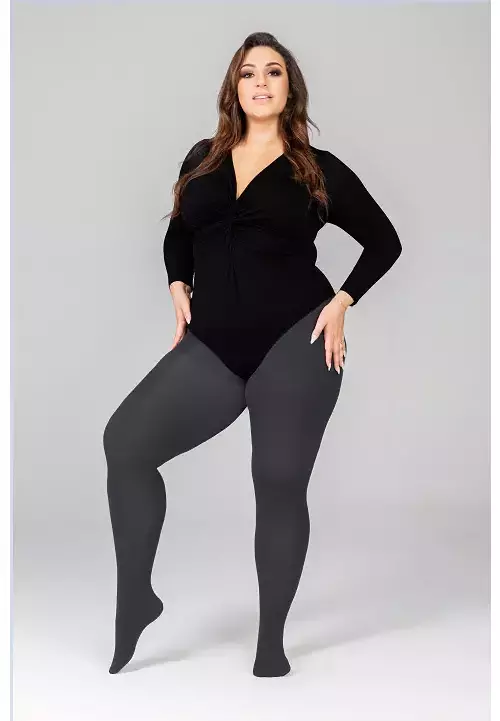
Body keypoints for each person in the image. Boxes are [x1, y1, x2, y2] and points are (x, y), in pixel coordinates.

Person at [103, 31, 402, 678]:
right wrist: (177, 283)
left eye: (273, 72)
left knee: (278, 482)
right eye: (248, 73)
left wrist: (343, 301)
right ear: (233, 88)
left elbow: (385, 241)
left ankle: (271, 642)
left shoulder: (317, 169)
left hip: (297, 342)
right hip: (214, 345)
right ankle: (137, 597)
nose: (260, 82)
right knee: (124, 444)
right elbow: (179, 233)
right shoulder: (203, 158)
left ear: (291, 88)